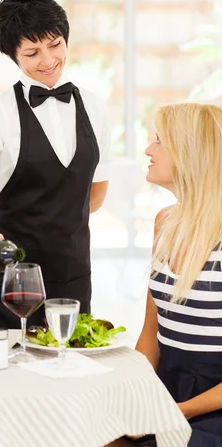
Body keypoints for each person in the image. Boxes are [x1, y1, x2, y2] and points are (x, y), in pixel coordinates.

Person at [0, 0, 111, 328]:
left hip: (74, 276)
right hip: (12, 279)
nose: (48, 60)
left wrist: (51, 214)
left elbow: (95, 194)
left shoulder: (95, 107)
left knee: (71, 372)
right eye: (32, 52)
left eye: (55, 44)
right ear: (13, 56)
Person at [108, 103, 222, 447]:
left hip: (211, 405)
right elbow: (151, 334)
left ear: (190, 153)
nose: (148, 149)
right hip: (166, 390)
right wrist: (136, 395)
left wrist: (180, 410)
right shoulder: (164, 223)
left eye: (159, 141)